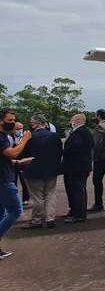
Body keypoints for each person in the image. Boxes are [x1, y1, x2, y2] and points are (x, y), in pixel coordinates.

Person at [20, 114, 62, 229]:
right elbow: (59, 153)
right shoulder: (55, 136)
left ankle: (37, 220)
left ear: (35, 124)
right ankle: (50, 218)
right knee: (50, 194)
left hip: (33, 170)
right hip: (51, 170)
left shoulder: (29, 138)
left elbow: (23, 155)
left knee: (37, 197)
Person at [1, 109, 32, 260]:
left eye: (13, 120)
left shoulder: (4, 137)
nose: (12, 123)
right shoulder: (1, 138)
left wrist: (14, 162)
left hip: (5, 175)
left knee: (1, 213)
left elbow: (7, 157)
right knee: (15, 209)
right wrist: (25, 139)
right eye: (9, 120)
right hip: (4, 180)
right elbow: (12, 152)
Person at [62, 114, 94, 223]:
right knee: (79, 189)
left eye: (72, 120)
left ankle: (79, 214)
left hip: (76, 166)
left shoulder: (78, 132)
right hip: (83, 165)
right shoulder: (87, 132)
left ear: (77, 121)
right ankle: (76, 211)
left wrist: (66, 149)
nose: (71, 122)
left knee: (77, 190)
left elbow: (75, 146)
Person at [11, 122, 31, 208]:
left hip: (23, 163)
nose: (19, 130)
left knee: (25, 182)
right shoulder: (10, 137)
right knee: (13, 181)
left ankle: (25, 199)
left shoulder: (26, 138)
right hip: (12, 163)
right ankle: (14, 200)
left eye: (21, 129)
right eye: (17, 129)